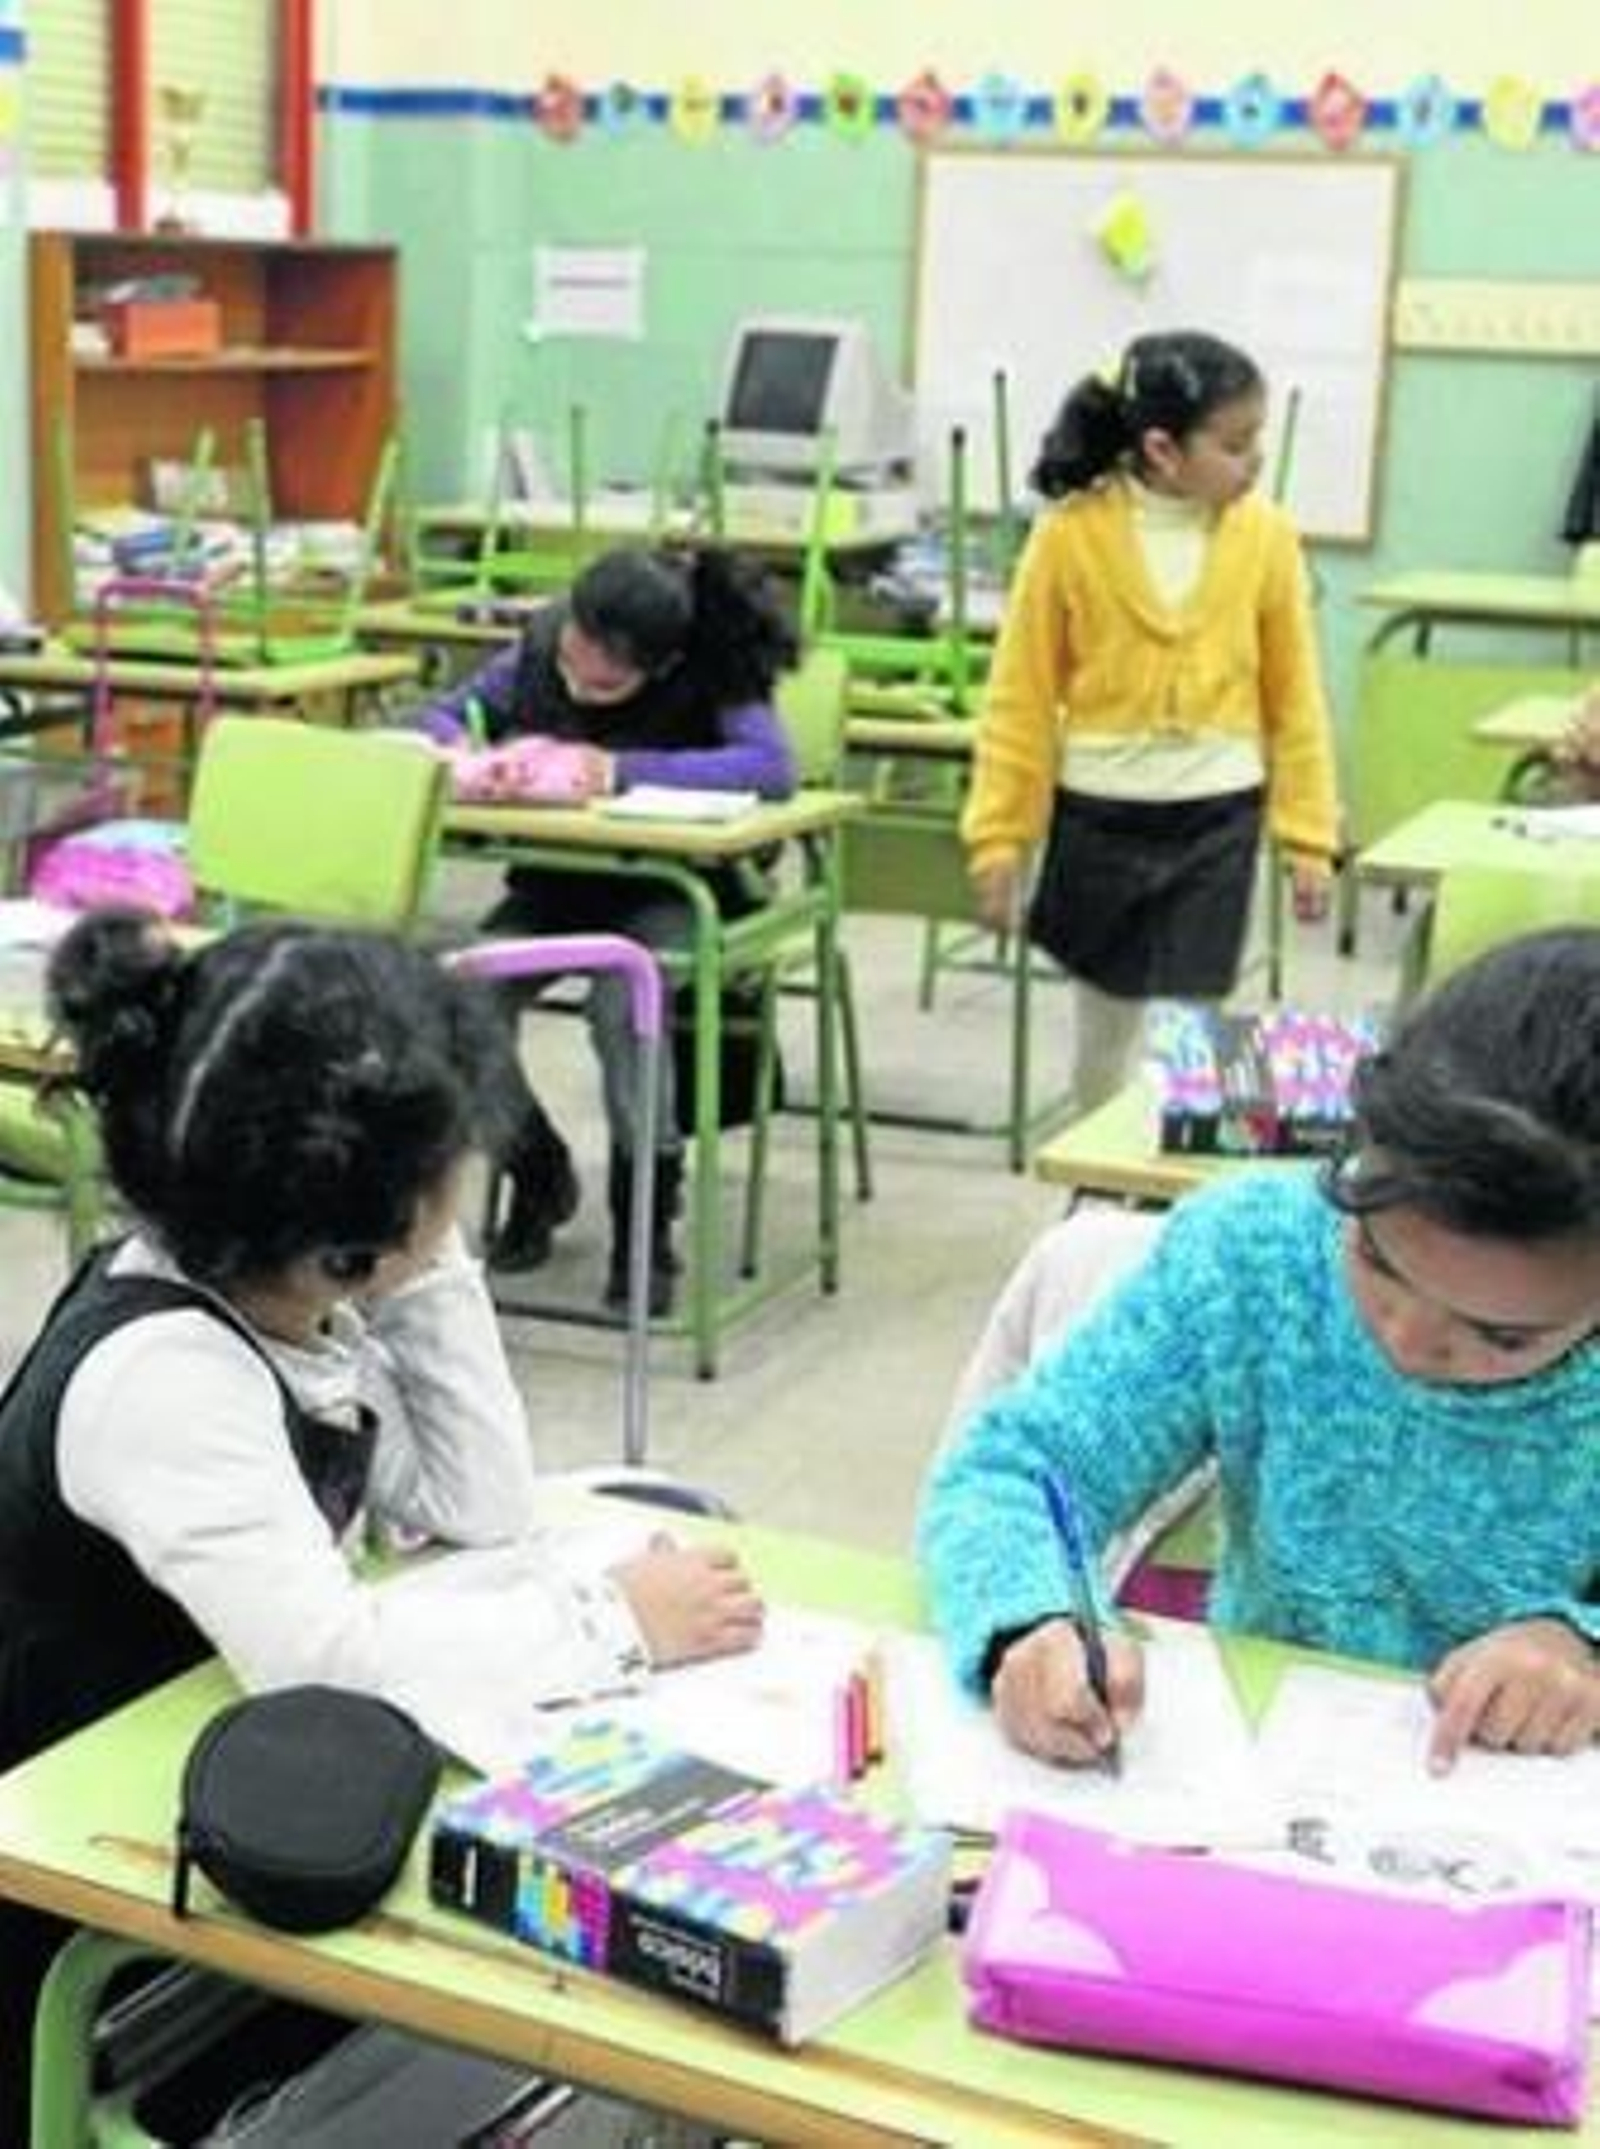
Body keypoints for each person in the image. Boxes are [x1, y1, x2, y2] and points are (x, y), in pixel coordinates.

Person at [0, 911, 764, 2125]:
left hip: (215, 1806)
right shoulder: (168, 1377)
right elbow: (326, 1661)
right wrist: (614, 1620)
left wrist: (422, 1257)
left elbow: (478, 1504)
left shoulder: (292, 1308)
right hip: (91, 1913)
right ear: (342, 1232)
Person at [918, 927, 1600, 1778]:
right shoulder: (1252, 1258)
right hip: (1256, 1766)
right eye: (1378, 1261)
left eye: (1502, 1336)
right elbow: (1013, 1467)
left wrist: (1581, 1645)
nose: (1406, 1338)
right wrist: (1034, 1615)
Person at [962, 330, 1340, 1116]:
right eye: (1234, 445)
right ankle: (1097, 1175)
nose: (1255, 461)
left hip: (1219, 811)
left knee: (1201, 1025)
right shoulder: (1069, 533)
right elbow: (1019, 696)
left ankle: (1185, 1181)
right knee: (1104, 1032)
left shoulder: (1267, 536)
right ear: (1164, 450)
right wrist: (999, 836)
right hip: (1101, 815)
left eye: (1258, 440)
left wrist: (1309, 837)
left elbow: (1296, 696)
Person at [420, 544, 799, 1310]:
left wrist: (618, 769)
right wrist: (463, 750)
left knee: (627, 1003)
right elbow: (446, 712)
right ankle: (535, 1166)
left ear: (661, 665)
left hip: (672, 892)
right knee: (464, 996)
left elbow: (771, 768)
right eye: (575, 659)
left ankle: (645, 1222)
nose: (582, 682)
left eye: (608, 681)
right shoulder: (542, 641)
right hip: (556, 884)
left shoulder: (713, 662)